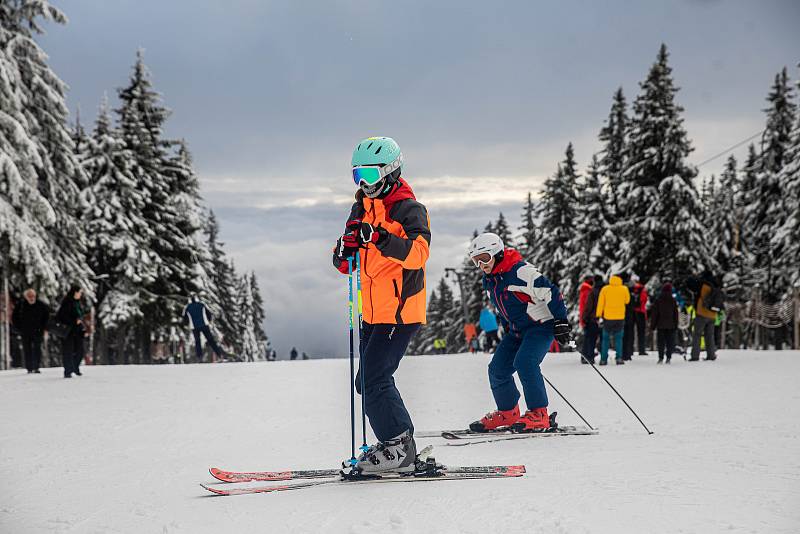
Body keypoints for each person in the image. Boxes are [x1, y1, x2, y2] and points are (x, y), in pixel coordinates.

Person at [331, 136, 430, 473]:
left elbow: (418, 255)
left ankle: (399, 447)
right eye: (357, 175)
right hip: (372, 313)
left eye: (370, 176)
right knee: (369, 381)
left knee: (374, 378)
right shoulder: (360, 208)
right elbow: (346, 264)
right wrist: (344, 250)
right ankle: (398, 442)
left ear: (390, 172)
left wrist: (380, 237)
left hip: (400, 312)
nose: (363, 184)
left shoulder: (409, 210)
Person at [467, 232, 570, 433]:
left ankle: (539, 413)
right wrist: (506, 325)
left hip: (540, 327)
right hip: (516, 331)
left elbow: (551, 292)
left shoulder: (521, 271)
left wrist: (561, 321)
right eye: (475, 261)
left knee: (525, 362)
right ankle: (508, 412)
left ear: (497, 253)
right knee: (497, 369)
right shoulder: (490, 280)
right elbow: (507, 305)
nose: (481, 265)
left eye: (484, 259)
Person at [11, 288, 50, 373]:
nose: (32, 298)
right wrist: (19, 328)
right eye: (29, 296)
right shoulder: (21, 305)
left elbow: (46, 317)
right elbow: (14, 318)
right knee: (27, 349)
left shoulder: (41, 305)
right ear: (26, 297)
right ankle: (29, 367)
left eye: (33, 296)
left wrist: (44, 328)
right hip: (25, 332)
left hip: (38, 331)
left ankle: (36, 367)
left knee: (37, 349)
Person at [596, 274, 630, 365]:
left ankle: (603, 359)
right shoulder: (624, 289)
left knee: (605, 339)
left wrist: (598, 315)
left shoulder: (605, 289)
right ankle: (619, 358)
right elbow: (627, 301)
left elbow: (600, 303)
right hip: (620, 318)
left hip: (608, 318)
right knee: (618, 339)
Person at [56, 285, 88, 378]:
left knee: (79, 350)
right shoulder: (67, 302)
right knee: (68, 351)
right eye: (79, 292)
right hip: (68, 331)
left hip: (77, 330)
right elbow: (62, 316)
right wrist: (74, 321)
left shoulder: (77, 303)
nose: (80, 294)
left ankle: (75, 367)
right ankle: (68, 370)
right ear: (75, 292)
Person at [183, 294, 224, 363]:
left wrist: (186, 325)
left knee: (197, 342)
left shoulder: (187, 307)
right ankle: (219, 355)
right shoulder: (201, 305)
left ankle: (199, 357)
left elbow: (185, 318)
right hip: (204, 325)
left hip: (194, 327)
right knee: (211, 340)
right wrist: (210, 321)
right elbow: (209, 313)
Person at [687, 270, 719, 361]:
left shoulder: (703, 284)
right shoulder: (716, 285)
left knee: (697, 335)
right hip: (712, 314)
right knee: (710, 336)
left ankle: (695, 356)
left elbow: (690, 284)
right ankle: (711, 355)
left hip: (702, 313)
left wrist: (691, 277)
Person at [649, 282, 679, 364]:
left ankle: (660, 357)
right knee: (670, 342)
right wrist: (676, 325)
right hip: (671, 325)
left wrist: (653, 326)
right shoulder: (673, 300)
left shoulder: (658, 300)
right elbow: (675, 314)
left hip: (660, 325)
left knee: (661, 342)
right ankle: (668, 357)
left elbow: (655, 314)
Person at [580, 274, 604, 364]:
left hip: (592, 319)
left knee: (590, 339)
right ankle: (603, 357)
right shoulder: (605, 290)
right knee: (603, 339)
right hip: (604, 318)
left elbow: (588, 306)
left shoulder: (592, 291)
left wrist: (585, 317)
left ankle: (589, 357)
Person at [630, 275, 648, 355]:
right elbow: (644, 300)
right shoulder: (642, 289)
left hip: (632, 312)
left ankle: (630, 350)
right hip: (641, 312)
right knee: (641, 332)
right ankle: (641, 350)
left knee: (630, 332)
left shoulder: (630, 289)